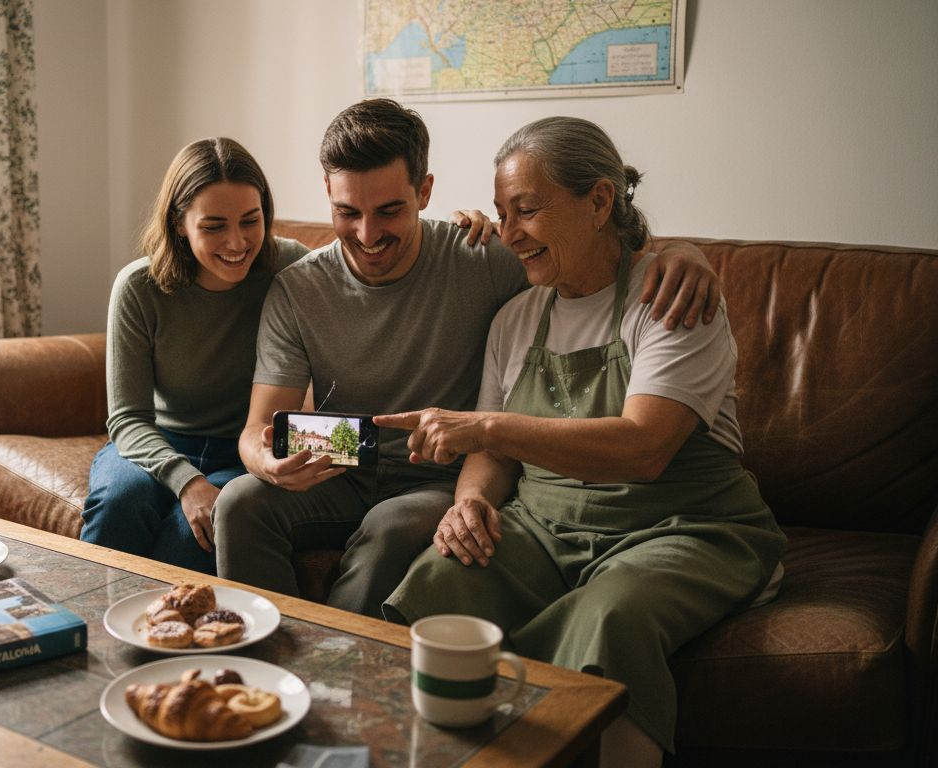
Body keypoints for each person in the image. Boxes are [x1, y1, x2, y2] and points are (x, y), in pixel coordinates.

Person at [377, 117, 785, 766]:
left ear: (599, 202)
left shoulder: (670, 299)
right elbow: (492, 455)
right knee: (440, 579)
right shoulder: (517, 317)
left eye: (528, 211)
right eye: (501, 214)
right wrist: (472, 502)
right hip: (546, 525)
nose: (509, 234)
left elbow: (643, 448)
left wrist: (483, 426)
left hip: (679, 527)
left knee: (612, 617)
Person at [213, 99, 723, 616]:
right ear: (328, 193)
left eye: (390, 211)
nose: (368, 235)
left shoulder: (486, 258)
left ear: (425, 192)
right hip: (347, 461)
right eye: (348, 213)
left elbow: (598, 255)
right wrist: (270, 464)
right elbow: (260, 430)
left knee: (389, 528)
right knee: (239, 501)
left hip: (439, 475)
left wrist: (684, 254)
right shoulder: (298, 289)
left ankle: (342, 674)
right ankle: (253, 672)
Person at [82, 137, 496, 573]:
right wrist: (187, 482)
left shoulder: (290, 268)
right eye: (214, 226)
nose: (238, 242)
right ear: (180, 223)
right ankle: (86, 625)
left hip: (240, 449)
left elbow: (371, 266)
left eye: (250, 220)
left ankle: (175, 632)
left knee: (198, 534)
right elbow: (127, 419)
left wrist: (457, 228)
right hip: (159, 441)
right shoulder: (139, 288)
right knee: (119, 503)